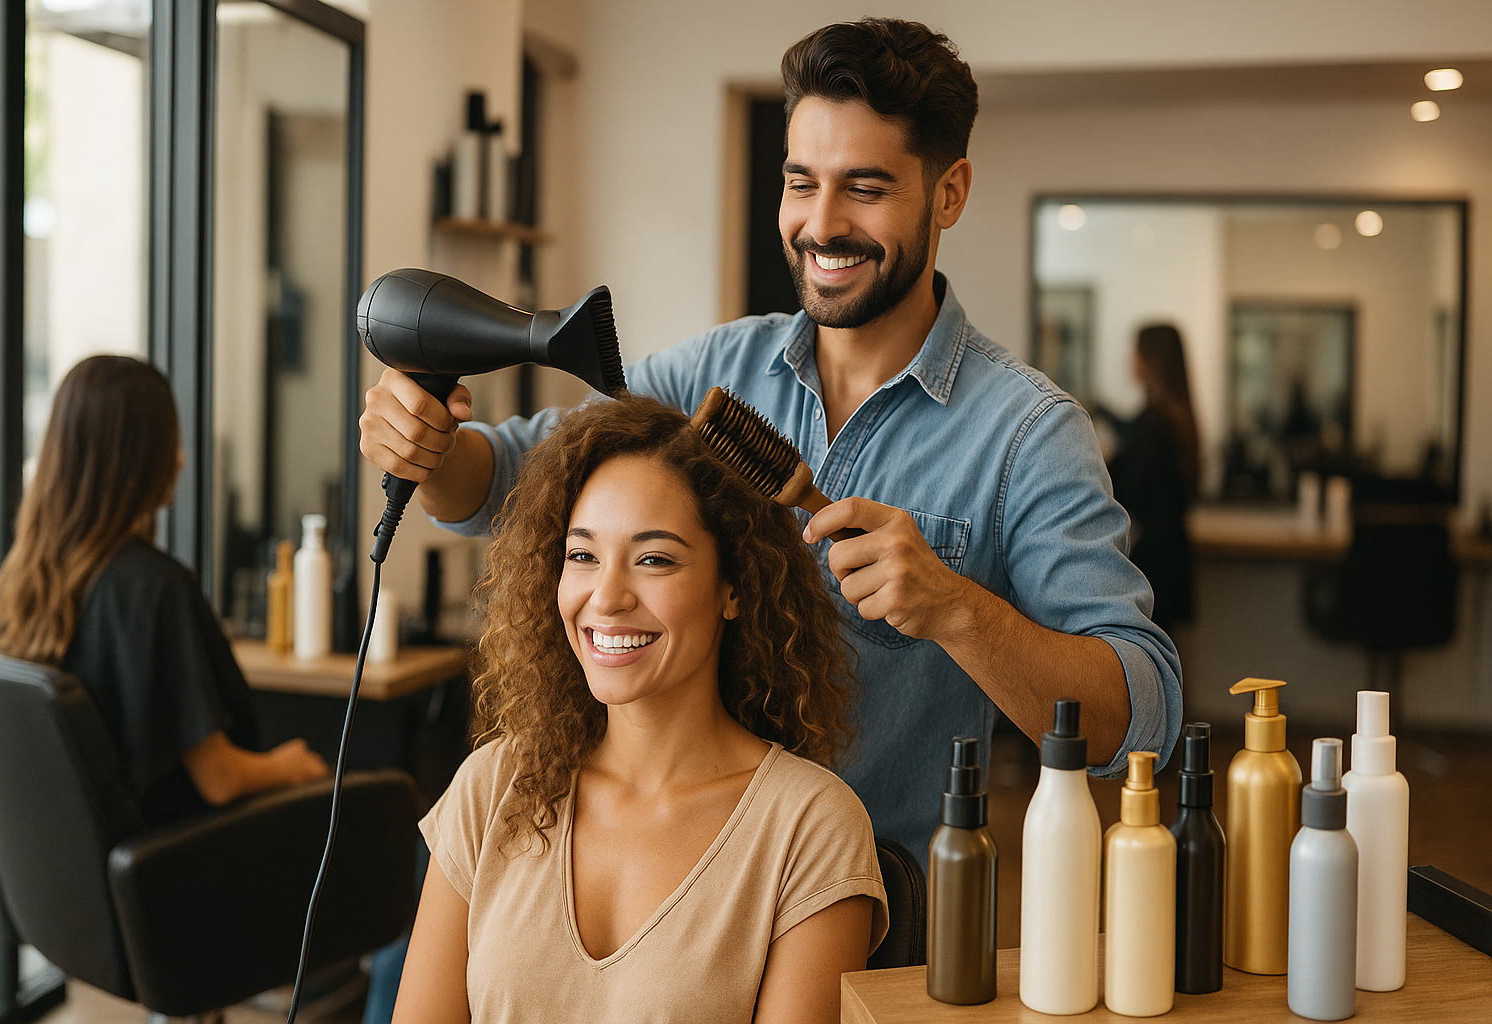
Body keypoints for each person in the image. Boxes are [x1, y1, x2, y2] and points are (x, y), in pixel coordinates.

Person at [359, 17, 1183, 860]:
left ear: (949, 192)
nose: (821, 226)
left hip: (876, 926)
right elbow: (500, 485)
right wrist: (427, 449)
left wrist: (956, 610)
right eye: (800, 183)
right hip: (680, 891)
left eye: (864, 188)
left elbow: (1140, 714)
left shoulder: (1027, 435)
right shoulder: (713, 376)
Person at [392, 395, 887, 1024]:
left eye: (654, 559)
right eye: (582, 555)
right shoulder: (492, 789)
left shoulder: (810, 828)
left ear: (734, 586)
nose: (607, 596)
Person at [0, 355, 328, 824]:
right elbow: (220, 779)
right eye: (169, 440)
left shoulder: (35, 577)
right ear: (133, 454)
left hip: (94, 881)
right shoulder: (156, 589)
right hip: (176, 867)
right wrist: (287, 766)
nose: (182, 459)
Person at [1106, 324, 1200, 629]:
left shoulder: (1154, 426)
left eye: (1135, 352)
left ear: (1149, 360)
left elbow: (1126, 487)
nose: (1129, 361)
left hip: (1155, 567)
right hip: (1172, 560)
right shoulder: (1175, 420)